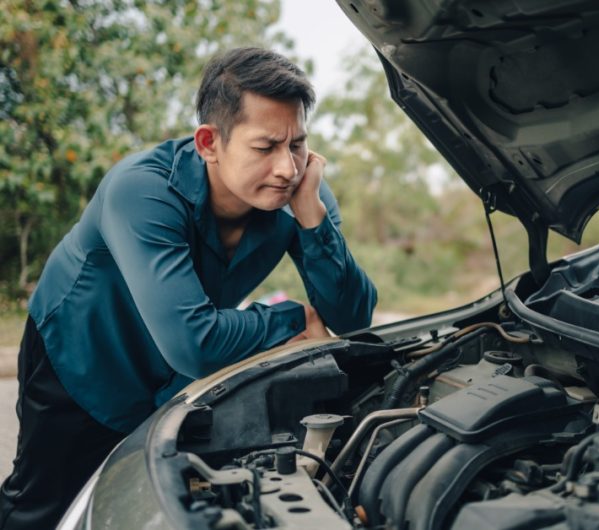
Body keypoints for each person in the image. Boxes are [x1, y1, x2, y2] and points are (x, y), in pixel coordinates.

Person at [0, 47, 377, 529]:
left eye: (298, 144)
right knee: (44, 504)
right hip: (82, 357)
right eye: (266, 148)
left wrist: (311, 219)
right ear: (208, 143)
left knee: (149, 501)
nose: (287, 167)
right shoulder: (141, 190)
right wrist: (294, 319)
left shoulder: (301, 192)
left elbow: (353, 316)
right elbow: (194, 341)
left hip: (177, 377)